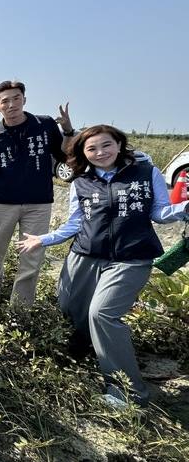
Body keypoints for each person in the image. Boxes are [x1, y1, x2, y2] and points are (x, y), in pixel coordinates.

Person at [17, 125, 189, 407]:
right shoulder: (81, 182)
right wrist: (43, 239)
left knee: (103, 314)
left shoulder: (145, 172)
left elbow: (160, 212)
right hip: (85, 254)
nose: (100, 152)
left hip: (130, 257)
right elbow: (75, 223)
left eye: (106, 145)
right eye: (92, 148)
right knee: (70, 307)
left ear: (119, 144)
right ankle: (83, 355)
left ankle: (128, 392)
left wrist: (184, 209)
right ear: (84, 153)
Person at [0, 80, 75, 306]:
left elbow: (64, 156)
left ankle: (20, 308)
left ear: (24, 100)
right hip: (3, 202)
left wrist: (68, 130)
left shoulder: (44, 124)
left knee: (31, 256)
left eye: (16, 98)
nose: (11, 104)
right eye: (5, 101)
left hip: (38, 203)